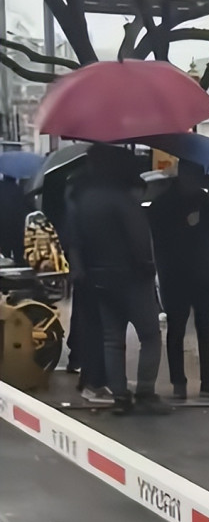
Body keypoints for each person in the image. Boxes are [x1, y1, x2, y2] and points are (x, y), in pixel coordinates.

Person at [68, 144, 168, 415]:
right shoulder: (123, 199)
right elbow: (138, 240)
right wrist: (148, 268)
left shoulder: (83, 198)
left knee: (112, 339)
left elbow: (73, 240)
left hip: (98, 277)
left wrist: (83, 271)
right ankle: (145, 393)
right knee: (150, 335)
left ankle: (120, 396)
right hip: (131, 277)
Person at [147, 161, 209, 401]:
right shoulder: (162, 204)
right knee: (176, 329)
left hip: (204, 275)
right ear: (183, 175)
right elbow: (159, 239)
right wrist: (185, 224)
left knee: (207, 330)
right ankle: (178, 382)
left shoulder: (204, 201)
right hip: (175, 275)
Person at [62, 171, 113, 404]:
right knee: (96, 327)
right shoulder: (83, 207)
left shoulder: (75, 205)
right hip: (92, 272)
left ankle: (86, 376)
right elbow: (75, 241)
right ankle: (94, 381)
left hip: (85, 272)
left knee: (87, 323)